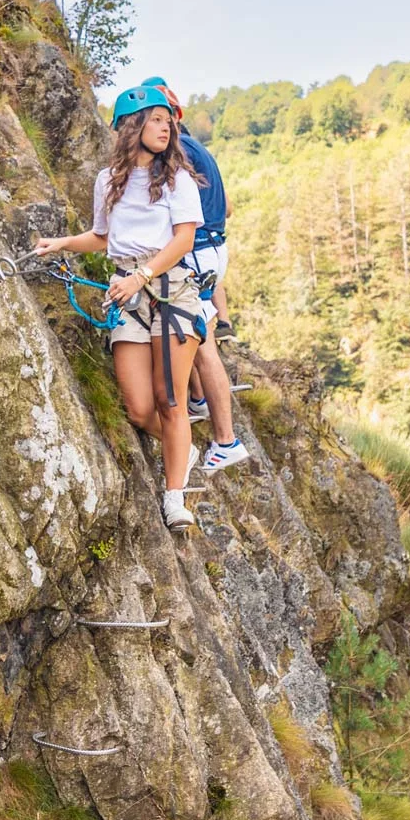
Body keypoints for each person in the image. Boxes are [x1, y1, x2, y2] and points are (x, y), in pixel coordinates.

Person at [33, 84, 206, 531]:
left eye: (169, 122)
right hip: (127, 292)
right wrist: (61, 245)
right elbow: (103, 236)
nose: (166, 128)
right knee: (138, 407)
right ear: (132, 126)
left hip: (169, 292)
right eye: (156, 120)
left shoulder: (178, 180)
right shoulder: (108, 180)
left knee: (170, 400)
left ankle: (175, 498)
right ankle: (182, 450)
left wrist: (141, 277)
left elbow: (183, 239)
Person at [142, 76, 251, 473]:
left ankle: (226, 440)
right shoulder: (199, 150)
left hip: (199, 252)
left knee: (202, 345)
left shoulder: (181, 151)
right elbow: (229, 206)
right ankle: (201, 401)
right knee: (200, 335)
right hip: (212, 248)